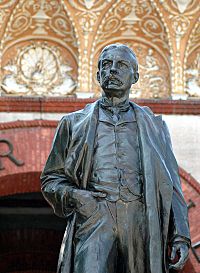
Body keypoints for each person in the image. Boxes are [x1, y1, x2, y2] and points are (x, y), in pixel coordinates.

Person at [41, 44, 190, 273]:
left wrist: (180, 235)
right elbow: (51, 179)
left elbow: (172, 186)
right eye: (106, 65)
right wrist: (77, 197)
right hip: (94, 218)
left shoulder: (156, 127)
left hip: (140, 220)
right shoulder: (72, 124)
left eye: (121, 65)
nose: (112, 70)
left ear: (135, 76)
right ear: (98, 74)